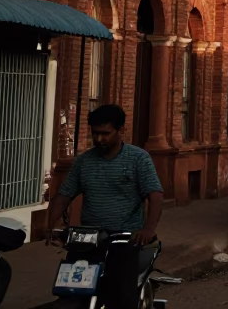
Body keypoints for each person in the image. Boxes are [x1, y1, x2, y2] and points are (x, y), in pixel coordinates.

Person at [46, 104, 164, 308]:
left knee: (122, 297)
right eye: (95, 134)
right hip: (89, 238)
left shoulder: (138, 159)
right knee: (70, 290)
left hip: (123, 239)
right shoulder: (84, 162)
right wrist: (49, 226)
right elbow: (64, 196)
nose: (100, 139)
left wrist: (148, 229)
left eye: (105, 134)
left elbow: (155, 196)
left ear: (121, 131)